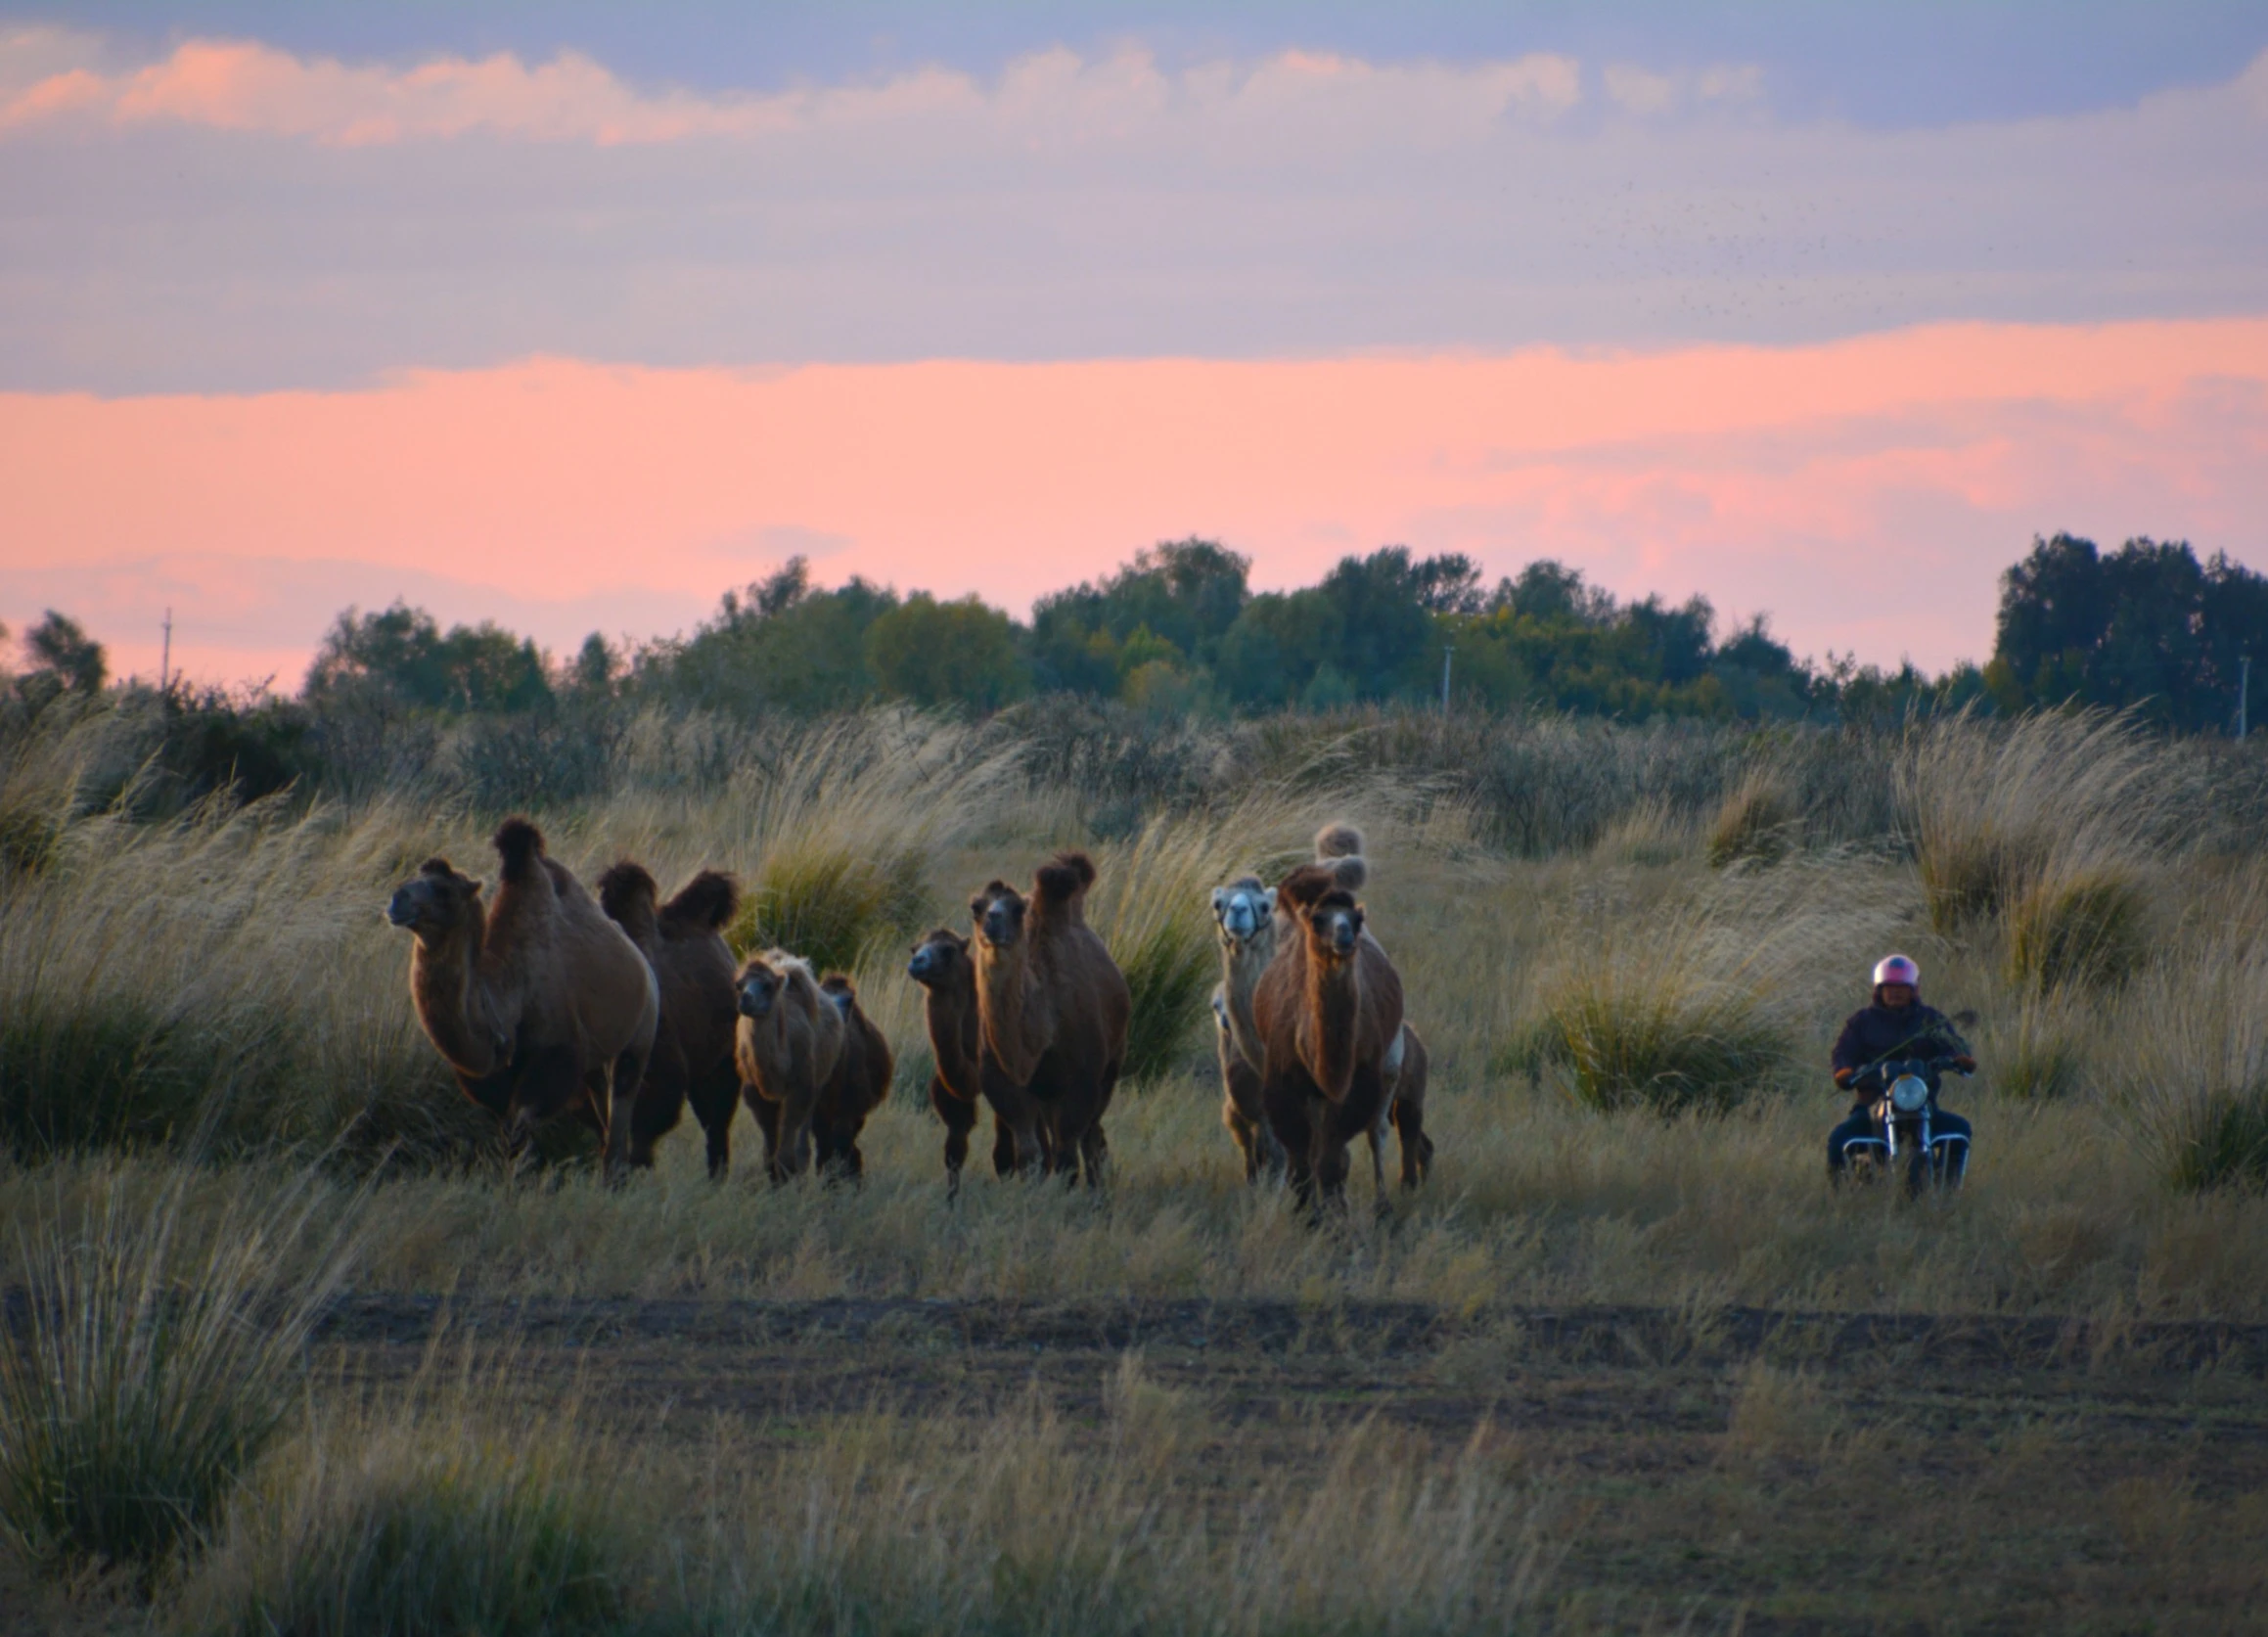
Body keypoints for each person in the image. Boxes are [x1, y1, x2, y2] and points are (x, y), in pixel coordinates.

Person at [1827, 954, 1975, 1181]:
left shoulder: (1930, 1019)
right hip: (1872, 1103)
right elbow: (1843, 1052)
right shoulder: (1862, 1021)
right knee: (1840, 1138)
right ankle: (1838, 1194)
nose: (1895, 992)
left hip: (1922, 1103)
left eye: (1902, 987)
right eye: (1889, 987)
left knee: (1959, 1129)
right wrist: (1844, 1071)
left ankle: (1949, 1187)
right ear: (1879, 990)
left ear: (1913, 990)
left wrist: (1959, 1058)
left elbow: (1952, 1044)